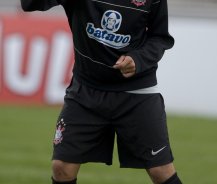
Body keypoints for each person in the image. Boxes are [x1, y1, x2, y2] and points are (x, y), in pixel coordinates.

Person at [21, 0, 182, 184]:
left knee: (160, 171)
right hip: (86, 91)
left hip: (137, 92)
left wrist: (138, 59)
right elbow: (30, 3)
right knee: (62, 167)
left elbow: (160, 37)